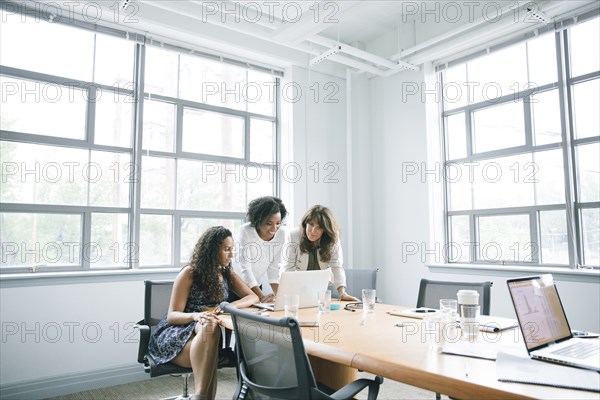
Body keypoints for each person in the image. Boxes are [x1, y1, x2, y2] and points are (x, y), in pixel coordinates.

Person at [148, 226, 258, 400]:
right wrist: (195, 315)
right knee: (208, 326)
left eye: (232, 249)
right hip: (177, 334)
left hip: (206, 337)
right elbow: (172, 315)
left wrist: (231, 306)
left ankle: (201, 397)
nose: (231, 254)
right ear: (212, 250)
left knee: (210, 327)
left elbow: (252, 297)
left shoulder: (227, 273)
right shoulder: (190, 273)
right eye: (226, 249)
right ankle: (202, 397)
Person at [281, 205, 359, 301]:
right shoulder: (294, 235)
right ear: (305, 223)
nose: (313, 231)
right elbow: (288, 268)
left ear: (325, 230)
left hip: (321, 287)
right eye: (311, 224)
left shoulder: (332, 239)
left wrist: (342, 293)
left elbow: (337, 267)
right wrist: (286, 294)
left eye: (319, 227)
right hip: (298, 286)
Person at [236, 196, 288, 303]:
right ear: (258, 220)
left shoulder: (281, 234)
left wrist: (280, 299)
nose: (274, 228)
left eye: (278, 223)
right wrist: (261, 297)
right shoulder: (246, 231)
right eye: (269, 223)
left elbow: (273, 268)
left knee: (258, 316)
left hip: (256, 285)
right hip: (236, 285)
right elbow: (245, 268)